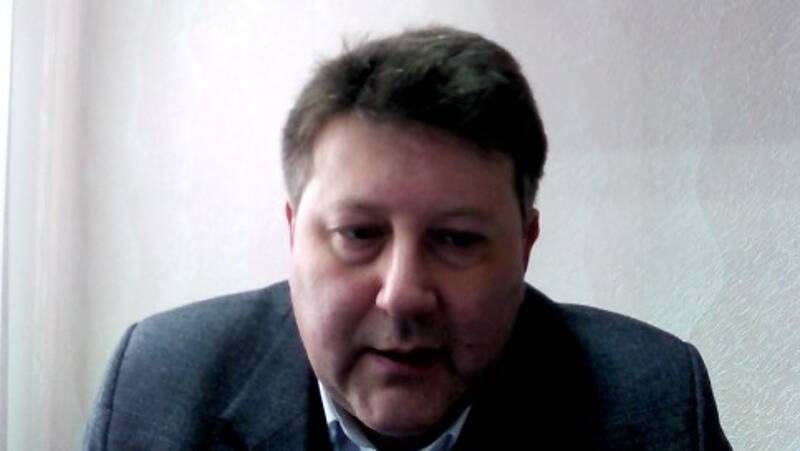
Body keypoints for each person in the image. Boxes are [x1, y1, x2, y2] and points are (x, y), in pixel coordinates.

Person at [84, 26, 731, 450]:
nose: (401, 295)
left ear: (525, 245)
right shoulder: (160, 385)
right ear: (293, 233)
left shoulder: (650, 402)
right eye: (359, 233)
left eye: (457, 239)